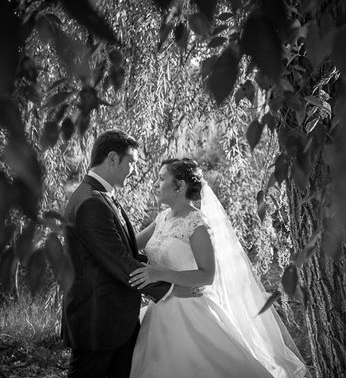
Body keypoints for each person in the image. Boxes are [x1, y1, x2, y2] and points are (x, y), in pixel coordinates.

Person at [128, 158, 307, 378]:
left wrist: (160, 274)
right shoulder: (162, 217)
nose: (156, 183)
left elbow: (207, 275)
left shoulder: (197, 224)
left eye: (162, 178)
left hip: (190, 312)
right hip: (159, 311)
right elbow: (131, 246)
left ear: (180, 185)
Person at [62, 130, 196, 378]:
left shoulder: (101, 196)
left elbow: (125, 251)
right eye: (131, 162)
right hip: (98, 324)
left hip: (115, 320)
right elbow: (120, 262)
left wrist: (170, 269)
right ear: (113, 158)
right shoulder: (91, 202)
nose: (133, 170)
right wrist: (171, 289)